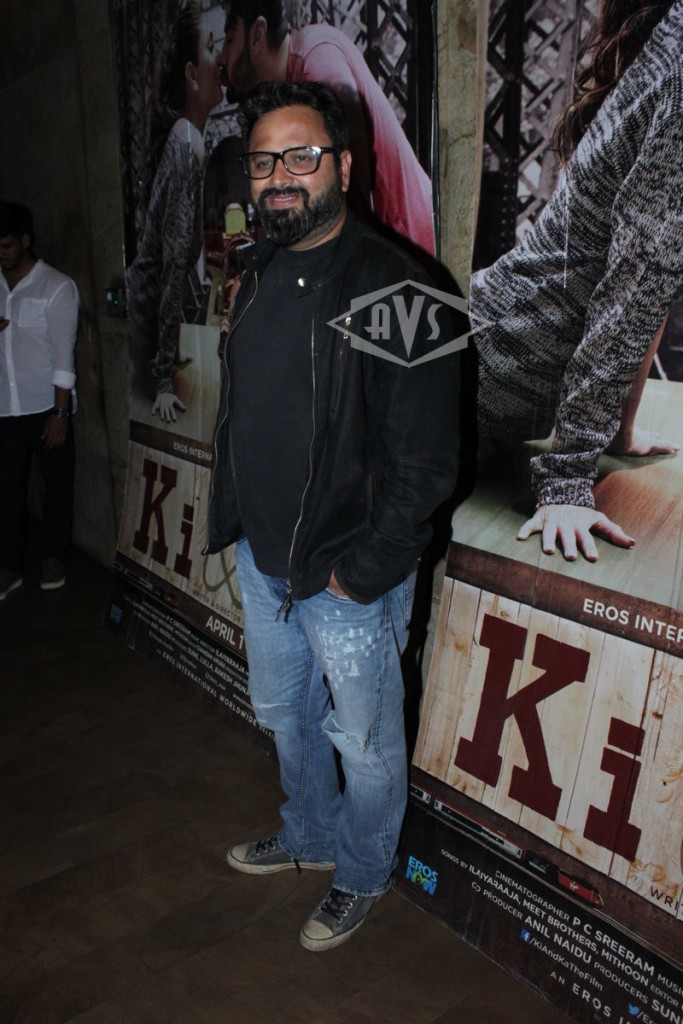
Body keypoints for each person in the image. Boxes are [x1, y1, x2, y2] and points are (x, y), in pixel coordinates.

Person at [206, 81, 460, 950]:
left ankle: (360, 871)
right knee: (285, 717)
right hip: (263, 560)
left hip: (346, 572)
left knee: (364, 742)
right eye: (264, 161)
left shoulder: (402, 285)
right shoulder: (258, 270)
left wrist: (362, 575)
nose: (280, 176)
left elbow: (428, 463)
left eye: (302, 156)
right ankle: (310, 834)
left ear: (343, 168)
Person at [470, 0, 683, 561]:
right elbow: (637, 281)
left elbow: (651, 277)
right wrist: (567, 475)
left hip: (487, 340)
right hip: (478, 362)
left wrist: (618, 428)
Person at [218, 0, 435, 257]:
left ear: (257, 36)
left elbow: (349, 197)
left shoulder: (318, 61)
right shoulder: (305, 62)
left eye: (229, 39)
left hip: (408, 248)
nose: (221, 57)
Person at [126, 2, 224, 423]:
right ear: (191, 75)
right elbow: (170, 272)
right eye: (212, 47)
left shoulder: (186, 138)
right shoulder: (187, 145)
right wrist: (164, 379)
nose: (222, 57)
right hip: (147, 332)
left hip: (152, 328)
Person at [0, 202, 79, 599]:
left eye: (6, 245)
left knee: (56, 486)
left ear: (25, 240)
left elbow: (64, 356)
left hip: (47, 407)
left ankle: (53, 558)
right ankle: (9, 566)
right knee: (5, 490)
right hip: (4, 409)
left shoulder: (56, 287)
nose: (0, 254)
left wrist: (61, 412)